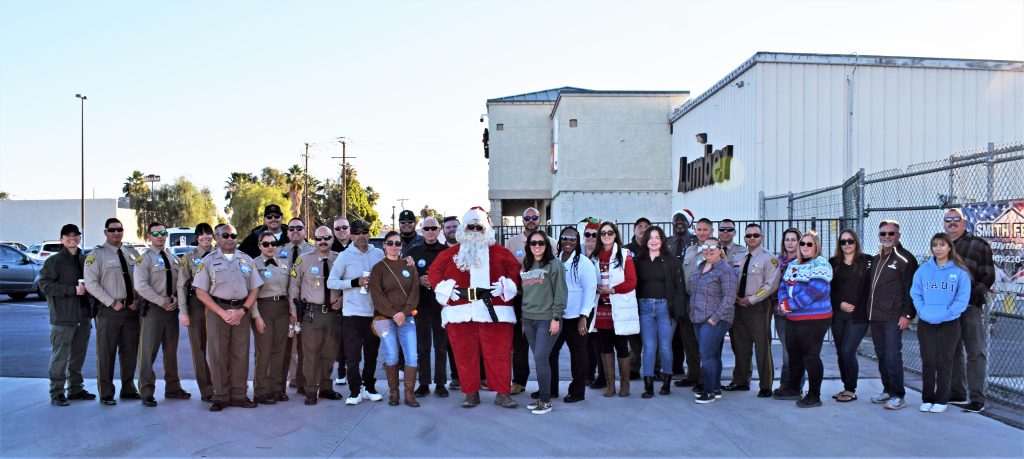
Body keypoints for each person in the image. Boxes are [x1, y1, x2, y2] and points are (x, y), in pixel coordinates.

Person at [428, 207, 521, 409]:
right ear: (464, 228)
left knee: (500, 354)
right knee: (464, 354)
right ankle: (471, 393)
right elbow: (434, 273)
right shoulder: (449, 254)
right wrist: (445, 288)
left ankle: (502, 393)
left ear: (486, 228)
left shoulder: (501, 253)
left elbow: (516, 273)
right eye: (471, 226)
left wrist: (506, 285)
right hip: (461, 312)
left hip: (495, 311)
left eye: (479, 226)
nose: (475, 230)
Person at [192, 224, 263, 411]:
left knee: (240, 354)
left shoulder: (246, 260)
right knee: (217, 354)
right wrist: (222, 312)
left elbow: (255, 288)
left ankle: (239, 395)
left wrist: (243, 310)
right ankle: (220, 396)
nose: (230, 238)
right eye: (226, 235)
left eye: (234, 235)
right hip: (217, 312)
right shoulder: (207, 261)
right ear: (217, 237)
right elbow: (200, 292)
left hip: (241, 311)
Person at [84, 217, 143, 406]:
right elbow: (91, 284)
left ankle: (128, 388)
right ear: (105, 232)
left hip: (131, 310)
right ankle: (106, 392)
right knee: (106, 353)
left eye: (119, 229)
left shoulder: (131, 253)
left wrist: (137, 300)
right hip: (109, 311)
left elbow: (141, 279)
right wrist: (111, 302)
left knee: (130, 352)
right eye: (112, 230)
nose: (116, 233)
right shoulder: (96, 254)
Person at [327, 219, 386, 405]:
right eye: (358, 232)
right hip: (352, 314)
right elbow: (331, 282)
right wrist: (354, 282)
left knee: (372, 354)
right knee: (353, 356)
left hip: (374, 313)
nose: (361, 235)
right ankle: (354, 391)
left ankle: (369, 387)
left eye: (365, 231)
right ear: (351, 235)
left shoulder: (378, 253)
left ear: (369, 233)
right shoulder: (344, 256)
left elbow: (390, 272)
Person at [912, 233, 971, 413]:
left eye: (942, 245)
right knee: (928, 361)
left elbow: (962, 299)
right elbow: (916, 293)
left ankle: (941, 399)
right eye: (935, 245)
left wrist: (948, 313)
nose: (938, 248)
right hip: (926, 322)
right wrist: (922, 311)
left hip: (949, 323)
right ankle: (927, 397)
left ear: (949, 248)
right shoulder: (923, 270)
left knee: (945, 361)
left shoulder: (959, 272)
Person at [944, 208, 995, 414]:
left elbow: (988, 277)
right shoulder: (940, 246)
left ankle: (976, 399)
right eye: (948, 220)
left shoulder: (978, 245)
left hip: (969, 307)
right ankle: (956, 393)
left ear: (964, 223)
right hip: (947, 310)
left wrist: (969, 298)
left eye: (956, 220)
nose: (952, 223)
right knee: (953, 351)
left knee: (976, 352)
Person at [134, 222, 191, 407]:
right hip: (153, 310)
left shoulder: (173, 258)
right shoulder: (145, 259)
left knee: (171, 352)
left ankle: (173, 388)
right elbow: (141, 285)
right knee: (148, 352)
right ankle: (146, 391)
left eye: (163, 232)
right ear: (149, 236)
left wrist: (174, 300)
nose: (160, 236)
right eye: (155, 233)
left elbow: (180, 284)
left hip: (171, 311)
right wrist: (161, 301)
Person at [864, 220, 918, 410]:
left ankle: (898, 394)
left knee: (893, 354)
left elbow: (911, 289)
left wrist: (908, 315)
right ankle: (887, 389)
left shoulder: (906, 259)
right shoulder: (876, 258)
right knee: (881, 354)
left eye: (891, 233)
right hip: (875, 316)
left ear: (898, 236)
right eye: (883, 234)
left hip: (894, 317)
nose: (887, 237)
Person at [775, 231, 833, 408]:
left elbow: (816, 290)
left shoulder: (821, 263)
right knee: (794, 355)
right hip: (793, 318)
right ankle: (793, 389)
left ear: (816, 247)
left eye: (810, 244)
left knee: (811, 356)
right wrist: (783, 302)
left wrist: (790, 305)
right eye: (803, 244)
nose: (805, 247)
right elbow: (783, 286)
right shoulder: (793, 264)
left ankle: (815, 395)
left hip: (815, 318)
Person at [40, 223, 96, 406]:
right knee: (60, 356)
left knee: (78, 355)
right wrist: (72, 290)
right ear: (61, 239)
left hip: (83, 316)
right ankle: (56, 392)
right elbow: (44, 285)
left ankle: (75, 389)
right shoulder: (54, 261)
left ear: (79, 237)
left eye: (75, 235)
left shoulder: (85, 259)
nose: (72, 238)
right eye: (68, 236)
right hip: (63, 317)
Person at [290, 226, 344, 405]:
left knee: (329, 353)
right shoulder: (303, 260)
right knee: (311, 354)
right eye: (319, 238)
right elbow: (293, 287)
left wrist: (342, 298)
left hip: (333, 315)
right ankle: (311, 390)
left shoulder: (339, 259)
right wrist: (293, 311)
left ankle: (326, 387)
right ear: (314, 240)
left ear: (332, 239)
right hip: (311, 314)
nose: (323, 241)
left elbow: (348, 283)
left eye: (326, 238)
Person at [725, 223, 779, 398]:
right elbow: (731, 279)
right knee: (740, 346)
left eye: (755, 235)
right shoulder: (738, 257)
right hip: (738, 306)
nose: (752, 238)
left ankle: (766, 385)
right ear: (744, 238)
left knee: (762, 346)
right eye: (748, 236)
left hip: (758, 307)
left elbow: (770, 285)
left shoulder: (769, 259)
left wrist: (752, 299)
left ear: (761, 237)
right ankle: (741, 381)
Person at [543, 226, 596, 403]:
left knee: (579, 354)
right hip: (558, 316)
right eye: (565, 238)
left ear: (577, 241)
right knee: (550, 353)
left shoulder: (583, 263)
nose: (568, 241)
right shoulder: (554, 261)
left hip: (577, 317)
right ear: (560, 240)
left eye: (572, 239)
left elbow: (590, 291)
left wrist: (584, 316)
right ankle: (550, 390)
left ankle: (577, 392)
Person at [369, 231, 422, 407]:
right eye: (390, 243)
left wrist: (404, 313)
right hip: (384, 318)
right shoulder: (378, 268)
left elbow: (415, 292)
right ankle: (394, 394)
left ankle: (409, 394)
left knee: (412, 356)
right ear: (384, 245)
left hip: (406, 317)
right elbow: (377, 296)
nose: (393, 246)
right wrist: (394, 314)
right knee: (391, 355)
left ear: (401, 246)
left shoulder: (409, 266)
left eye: (397, 243)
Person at [634, 226, 685, 398]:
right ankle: (648, 386)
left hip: (666, 308)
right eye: (650, 237)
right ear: (646, 240)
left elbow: (679, 286)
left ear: (662, 240)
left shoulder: (671, 260)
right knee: (648, 347)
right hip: (645, 307)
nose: (654, 240)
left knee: (665, 346)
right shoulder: (639, 260)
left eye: (657, 237)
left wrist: (677, 310)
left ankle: (666, 383)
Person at [589, 222, 639, 397]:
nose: (607, 235)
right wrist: (594, 287)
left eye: (610, 232)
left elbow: (632, 282)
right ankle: (610, 385)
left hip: (618, 307)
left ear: (615, 234)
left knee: (622, 347)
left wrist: (612, 290)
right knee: (605, 347)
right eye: (603, 233)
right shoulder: (594, 256)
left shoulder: (624, 254)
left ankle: (625, 385)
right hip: (601, 308)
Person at [519, 230, 567, 415]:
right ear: (528, 246)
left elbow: (561, 293)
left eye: (541, 243)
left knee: (540, 358)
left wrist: (556, 318)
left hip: (547, 320)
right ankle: (542, 397)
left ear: (547, 245)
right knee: (540, 360)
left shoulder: (555, 265)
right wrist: (524, 320)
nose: (537, 246)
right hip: (529, 320)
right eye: (533, 243)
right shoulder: (527, 263)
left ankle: (545, 400)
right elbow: (526, 294)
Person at [504, 207, 549, 394]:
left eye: (535, 217)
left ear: (540, 219)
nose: (531, 220)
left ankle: (545, 384)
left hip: (542, 299)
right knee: (519, 342)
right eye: (527, 217)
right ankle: (520, 380)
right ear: (522, 220)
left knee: (542, 343)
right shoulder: (512, 242)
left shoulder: (550, 242)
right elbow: (506, 267)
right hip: (519, 298)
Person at [688, 237, 736, 404]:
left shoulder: (725, 269)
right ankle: (715, 388)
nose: (708, 250)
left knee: (706, 355)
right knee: (713, 355)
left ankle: (708, 391)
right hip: (698, 319)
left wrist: (714, 319)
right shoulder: (700, 266)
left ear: (719, 249)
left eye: (712, 247)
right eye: (705, 247)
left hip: (715, 320)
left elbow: (729, 298)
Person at [407, 217, 451, 398]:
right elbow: (405, 279)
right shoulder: (413, 253)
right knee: (423, 347)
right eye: (427, 228)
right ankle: (424, 383)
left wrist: (436, 282)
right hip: (421, 306)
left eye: (434, 228)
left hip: (442, 307)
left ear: (439, 230)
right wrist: (418, 280)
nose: (431, 231)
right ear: (422, 231)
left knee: (441, 347)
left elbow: (453, 277)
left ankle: (441, 383)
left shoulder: (447, 252)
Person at [250, 231, 294, 405]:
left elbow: (290, 290)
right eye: (266, 244)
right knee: (264, 352)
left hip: (282, 309)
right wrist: (256, 316)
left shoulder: (284, 263)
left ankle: (277, 389)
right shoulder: (253, 264)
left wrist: (292, 311)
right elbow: (251, 292)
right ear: (260, 246)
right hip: (264, 309)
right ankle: (260, 391)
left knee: (279, 351)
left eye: (273, 244)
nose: (270, 247)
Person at [828, 229, 871, 403]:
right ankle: (846, 387)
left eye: (850, 241)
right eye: (843, 242)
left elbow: (870, 289)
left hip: (859, 315)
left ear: (856, 242)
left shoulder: (867, 261)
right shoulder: (833, 263)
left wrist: (857, 306)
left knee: (848, 350)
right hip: (838, 314)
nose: (847, 244)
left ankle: (851, 389)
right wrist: (839, 304)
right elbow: (828, 290)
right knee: (841, 352)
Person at [178, 223, 216, 402]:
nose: (205, 237)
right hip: (197, 305)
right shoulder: (189, 258)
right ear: (196, 237)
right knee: (199, 349)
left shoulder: (221, 254)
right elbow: (181, 285)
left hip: (218, 304)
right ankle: (207, 390)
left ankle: (224, 385)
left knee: (220, 347)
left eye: (208, 233)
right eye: (201, 234)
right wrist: (184, 312)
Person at [678, 217, 715, 391]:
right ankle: (692, 375)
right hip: (688, 301)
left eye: (705, 230)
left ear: (711, 231)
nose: (701, 233)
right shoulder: (690, 250)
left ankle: (704, 378)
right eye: (699, 230)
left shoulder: (715, 251)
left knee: (705, 344)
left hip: (706, 303)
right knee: (689, 342)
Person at [279, 219, 315, 395]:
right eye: (291, 228)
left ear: (305, 230)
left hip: (307, 304)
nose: (295, 231)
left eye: (299, 228)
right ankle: (294, 378)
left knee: (306, 344)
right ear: (287, 232)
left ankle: (306, 377)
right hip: (282, 304)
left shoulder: (313, 251)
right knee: (289, 343)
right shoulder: (279, 252)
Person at [771, 228, 802, 398]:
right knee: (786, 347)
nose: (790, 242)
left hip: (799, 311)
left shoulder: (804, 262)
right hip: (781, 311)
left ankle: (796, 385)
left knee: (796, 349)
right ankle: (785, 383)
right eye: (787, 239)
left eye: (793, 239)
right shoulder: (777, 261)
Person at [667, 209, 696, 378]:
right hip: (671, 293)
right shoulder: (668, 242)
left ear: (689, 223)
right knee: (673, 335)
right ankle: (675, 367)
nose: (679, 223)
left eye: (682, 220)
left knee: (689, 335)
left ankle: (693, 371)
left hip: (689, 294)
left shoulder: (694, 242)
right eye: (676, 220)